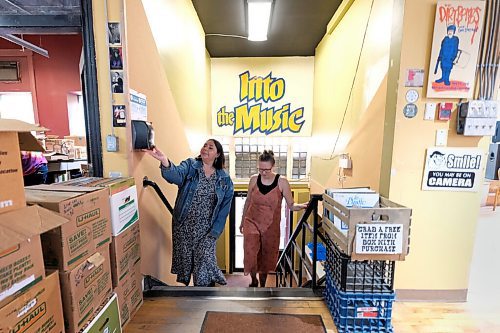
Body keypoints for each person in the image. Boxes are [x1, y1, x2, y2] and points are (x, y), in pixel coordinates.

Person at [145, 139, 234, 286]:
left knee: (204, 259)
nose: (205, 148)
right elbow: (175, 176)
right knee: (187, 264)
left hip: (206, 229)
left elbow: (224, 210)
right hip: (184, 227)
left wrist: (215, 232)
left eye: (210, 147)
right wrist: (164, 160)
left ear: (217, 154)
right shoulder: (191, 166)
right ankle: (194, 298)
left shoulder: (224, 179)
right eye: (205, 145)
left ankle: (208, 288)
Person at [239, 150, 307, 287]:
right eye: (260, 169)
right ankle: (253, 280)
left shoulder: (282, 182)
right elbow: (247, 201)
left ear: (273, 167)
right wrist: (242, 221)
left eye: (266, 169)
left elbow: (291, 205)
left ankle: (262, 283)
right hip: (251, 221)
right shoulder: (254, 179)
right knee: (250, 253)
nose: (263, 172)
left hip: (270, 226)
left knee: (266, 256)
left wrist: (303, 206)